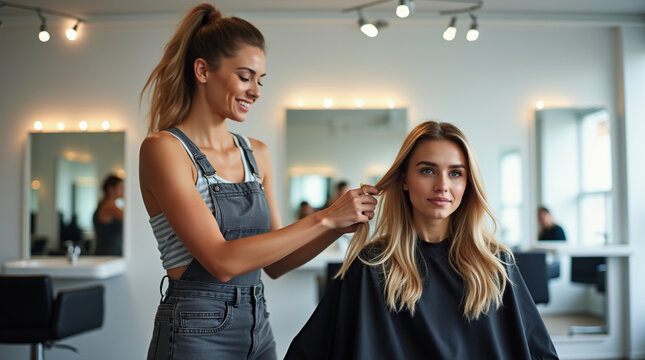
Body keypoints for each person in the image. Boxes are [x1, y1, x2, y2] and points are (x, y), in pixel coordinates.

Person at [138, 4, 378, 360]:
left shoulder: (257, 154)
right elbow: (221, 261)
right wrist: (324, 217)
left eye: (260, 80)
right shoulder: (164, 150)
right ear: (203, 70)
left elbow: (277, 264)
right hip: (195, 328)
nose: (256, 91)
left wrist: (338, 225)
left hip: (257, 325)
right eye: (245, 76)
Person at [285, 121, 558, 360]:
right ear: (404, 180)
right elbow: (310, 351)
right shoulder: (371, 265)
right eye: (428, 171)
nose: (442, 185)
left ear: (467, 184)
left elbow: (540, 352)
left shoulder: (496, 264)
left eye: (455, 173)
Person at [93, 174, 124, 255]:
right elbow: (131, 220)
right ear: (111, 189)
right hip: (108, 255)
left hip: (106, 253)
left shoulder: (104, 204)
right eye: (121, 187)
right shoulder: (109, 207)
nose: (124, 190)